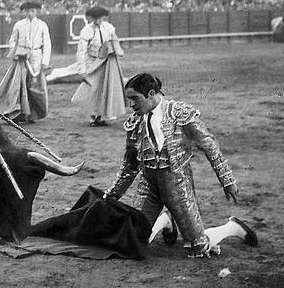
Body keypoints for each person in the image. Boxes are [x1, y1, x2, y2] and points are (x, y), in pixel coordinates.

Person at [103, 73, 257, 258]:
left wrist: (226, 179)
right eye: (129, 100)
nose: (131, 105)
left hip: (177, 183)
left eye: (135, 99)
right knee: (133, 242)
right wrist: (111, 195)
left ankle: (232, 227)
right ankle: (165, 220)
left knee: (198, 247)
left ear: (151, 93)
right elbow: (130, 165)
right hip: (148, 184)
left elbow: (208, 144)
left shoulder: (180, 112)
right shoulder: (135, 122)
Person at [0, 1, 51, 124]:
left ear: (37, 12)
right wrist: (17, 50)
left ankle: (32, 114)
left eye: (32, 11)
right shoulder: (19, 24)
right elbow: (12, 40)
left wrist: (45, 61)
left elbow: (47, 44)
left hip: (36, 57)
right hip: (22, 58)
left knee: (33, 86)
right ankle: (18, 112)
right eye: (27, 11)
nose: (29, 13)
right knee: (19, 85)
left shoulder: (42, 25)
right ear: (24, 12)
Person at [70, 6, 126, 127]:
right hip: (93, 63)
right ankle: (92, 117)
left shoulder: (109, 28)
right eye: (95, 18)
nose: (98, 21)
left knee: (104, 89)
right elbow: (81, 51)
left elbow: (115, 41)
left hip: (106, 63)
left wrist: (118, 51)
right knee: (92, 89)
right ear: (92, 18)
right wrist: (82, 69)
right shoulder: (86, 30)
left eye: (100, 18)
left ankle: (100, 116)